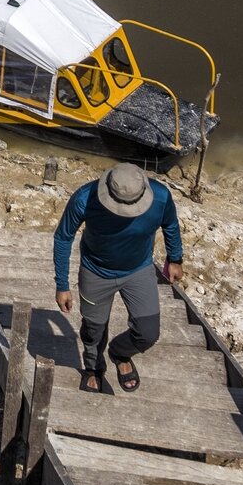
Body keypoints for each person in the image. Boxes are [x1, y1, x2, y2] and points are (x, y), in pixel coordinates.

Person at [52, 161, 184, 394]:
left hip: (139, 270)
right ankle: (93, 369)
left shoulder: (161, 197)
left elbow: (170, 224)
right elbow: (63, 237)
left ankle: (120, 352)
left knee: (148, 333)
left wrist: (175, 258)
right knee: (93, 330)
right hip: (96, 271)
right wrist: (62, 285)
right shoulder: (85, 198)